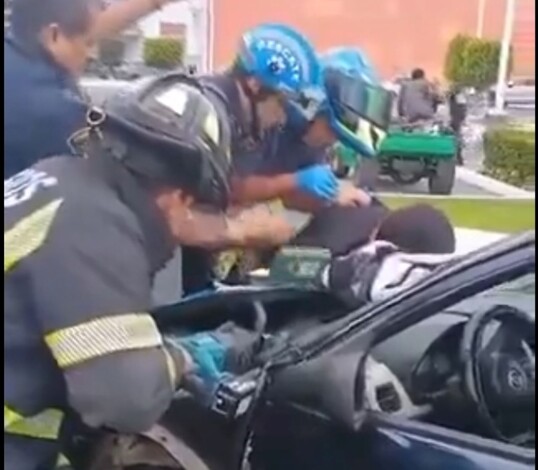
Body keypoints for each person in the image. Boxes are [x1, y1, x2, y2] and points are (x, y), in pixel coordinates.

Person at [4, 73, 265, 470]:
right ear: (179, 195)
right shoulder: (95, 225)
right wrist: (181, 359)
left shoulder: (59, 179)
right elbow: (127, 398)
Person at [4, 0, 179, 178]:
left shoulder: (19, 49)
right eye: (88, 43)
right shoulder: (57, 111)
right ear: (54, 35)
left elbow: (85, 27)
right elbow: (104, 178)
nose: (92, 54)